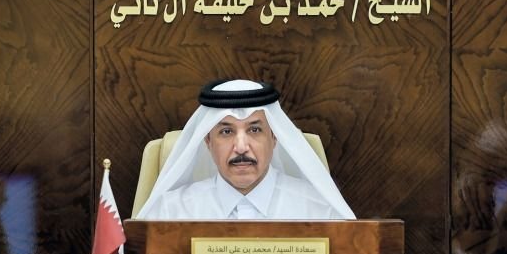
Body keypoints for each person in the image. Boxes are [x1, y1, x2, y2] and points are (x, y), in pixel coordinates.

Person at [135, 79, 355, 220]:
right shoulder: (169, 213)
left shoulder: (320, 211)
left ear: (274, 138)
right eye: (226, 132)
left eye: (255, 130)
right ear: (208, 142)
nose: (241, 147)